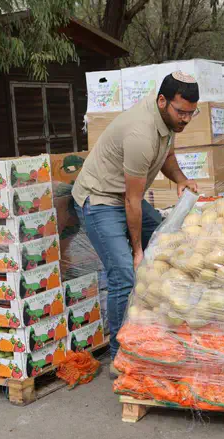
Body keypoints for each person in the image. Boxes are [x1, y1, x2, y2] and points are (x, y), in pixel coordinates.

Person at [72, 72, 200, 373]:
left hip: (125, 195)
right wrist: (138, 250)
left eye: (191, 113)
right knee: (124, 275)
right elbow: (132, 201)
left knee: (169, 242)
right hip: (100, 199)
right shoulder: (140, 133)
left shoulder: (167, 121)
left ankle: (156, 326)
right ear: (162, 101)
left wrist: (181, 179)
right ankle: (121, 355)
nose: (185, 119)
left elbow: (166, 156)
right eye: (181, 112)